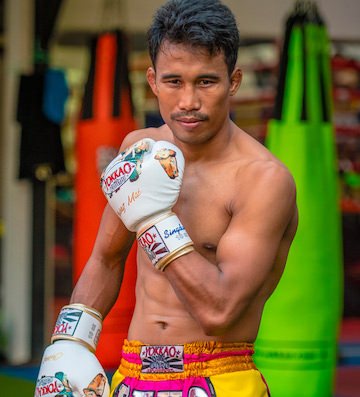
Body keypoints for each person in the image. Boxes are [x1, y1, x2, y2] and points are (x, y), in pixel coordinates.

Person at [35, 0, 298, 396]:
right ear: (153, 81)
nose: (188, 101)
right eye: (174, 81)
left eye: (206, 81)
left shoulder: (262, 180)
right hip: (132, 373)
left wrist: (153, 219)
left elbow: (220, 312)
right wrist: (71, 341)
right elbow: (106, 259)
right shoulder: (139, 147)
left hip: (217, 377)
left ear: (234, 81)